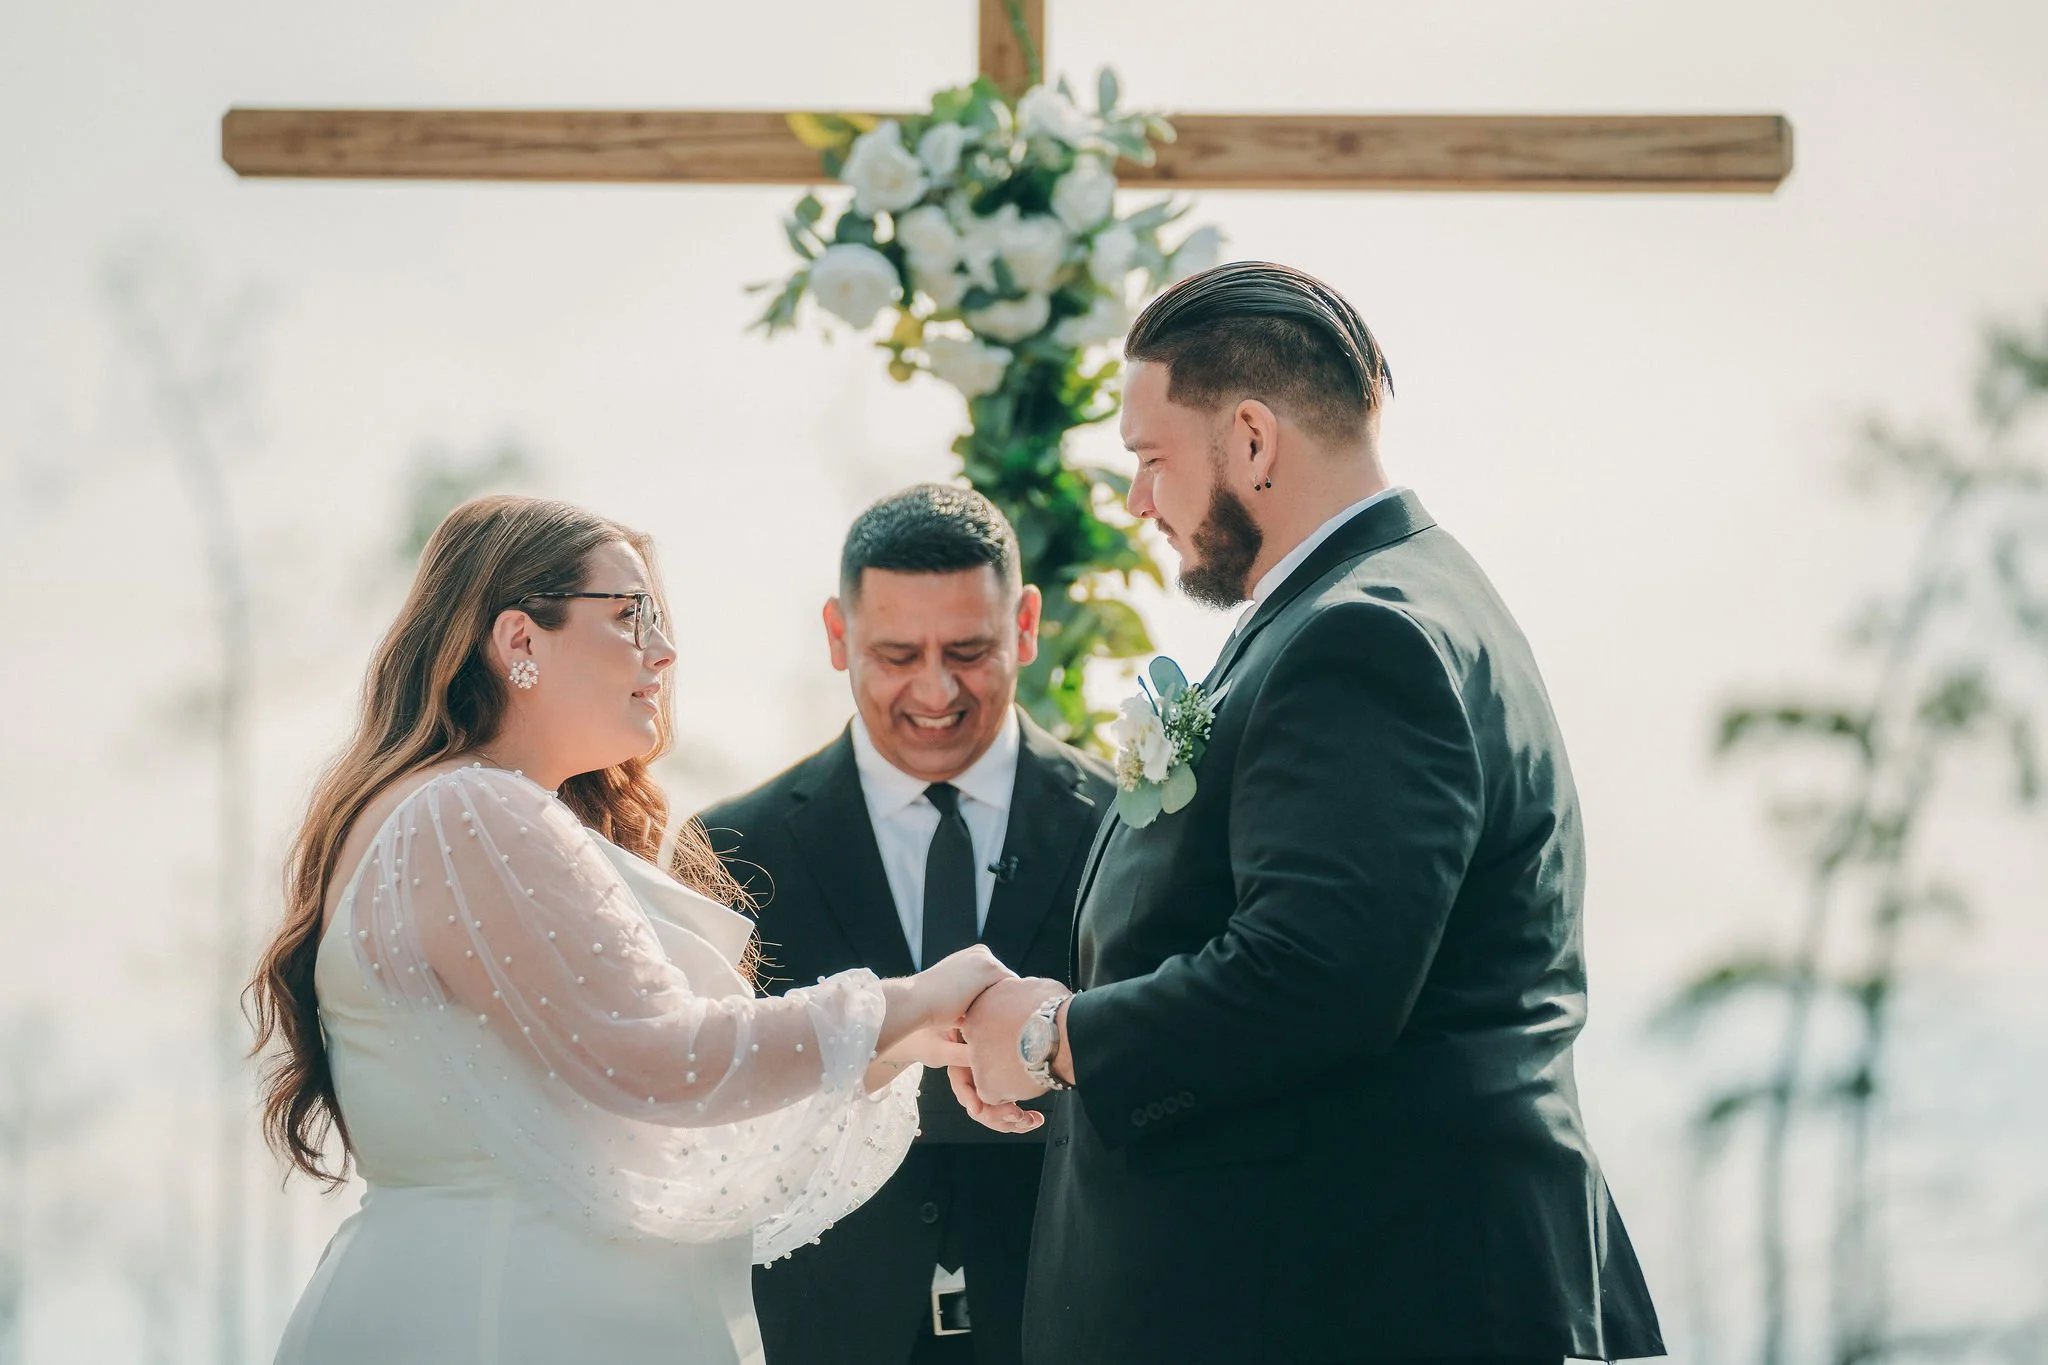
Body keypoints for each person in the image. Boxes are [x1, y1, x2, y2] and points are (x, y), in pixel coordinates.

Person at [953, 262, 1667, 1365]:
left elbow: (1311, 977)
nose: (1137, 501)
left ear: (1248, 438)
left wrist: (1055, 1040)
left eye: (1150, 461)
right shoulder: (1389, 598)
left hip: (1366, 1300)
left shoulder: (1360, 638)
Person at [249, 494, 1029, 1365]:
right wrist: (911, 995)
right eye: (630, 616)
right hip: (504, 1324)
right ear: (519, 642)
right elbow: (661, 1055)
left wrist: (910, 1037)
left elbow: (641, 1118)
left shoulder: (455, 810)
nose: (664, 651)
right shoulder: (469, 810)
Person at [698, 485, 1113, 1365]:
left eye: (969, 650)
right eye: (896, 653)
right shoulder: (729, 847)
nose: (936, 689)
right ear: (837, 635)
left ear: (1027, 624)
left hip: (1070, 1329)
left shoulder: (1126, 824)